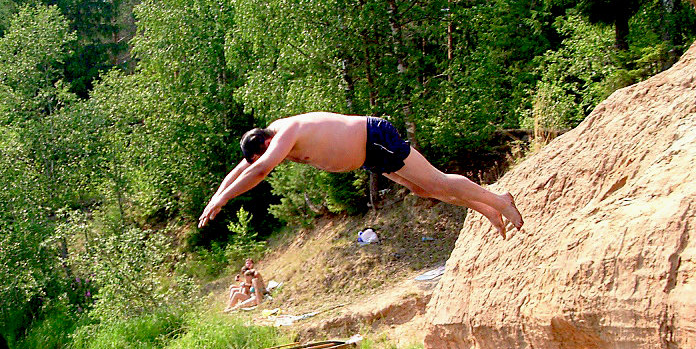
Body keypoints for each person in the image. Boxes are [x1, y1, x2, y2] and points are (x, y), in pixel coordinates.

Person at [198, 112, 523, 238]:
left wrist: (225, 198)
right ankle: (486, 208)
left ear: (266, 142)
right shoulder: (271, 139)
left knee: (435, 181)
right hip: (370, 155)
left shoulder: (286, 133)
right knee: (423, 191)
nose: (270, 161)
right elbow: (245, 167)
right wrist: (216, 197)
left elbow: (260, 169)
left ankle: (500, 201)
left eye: (264, 154)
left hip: (374, 139)